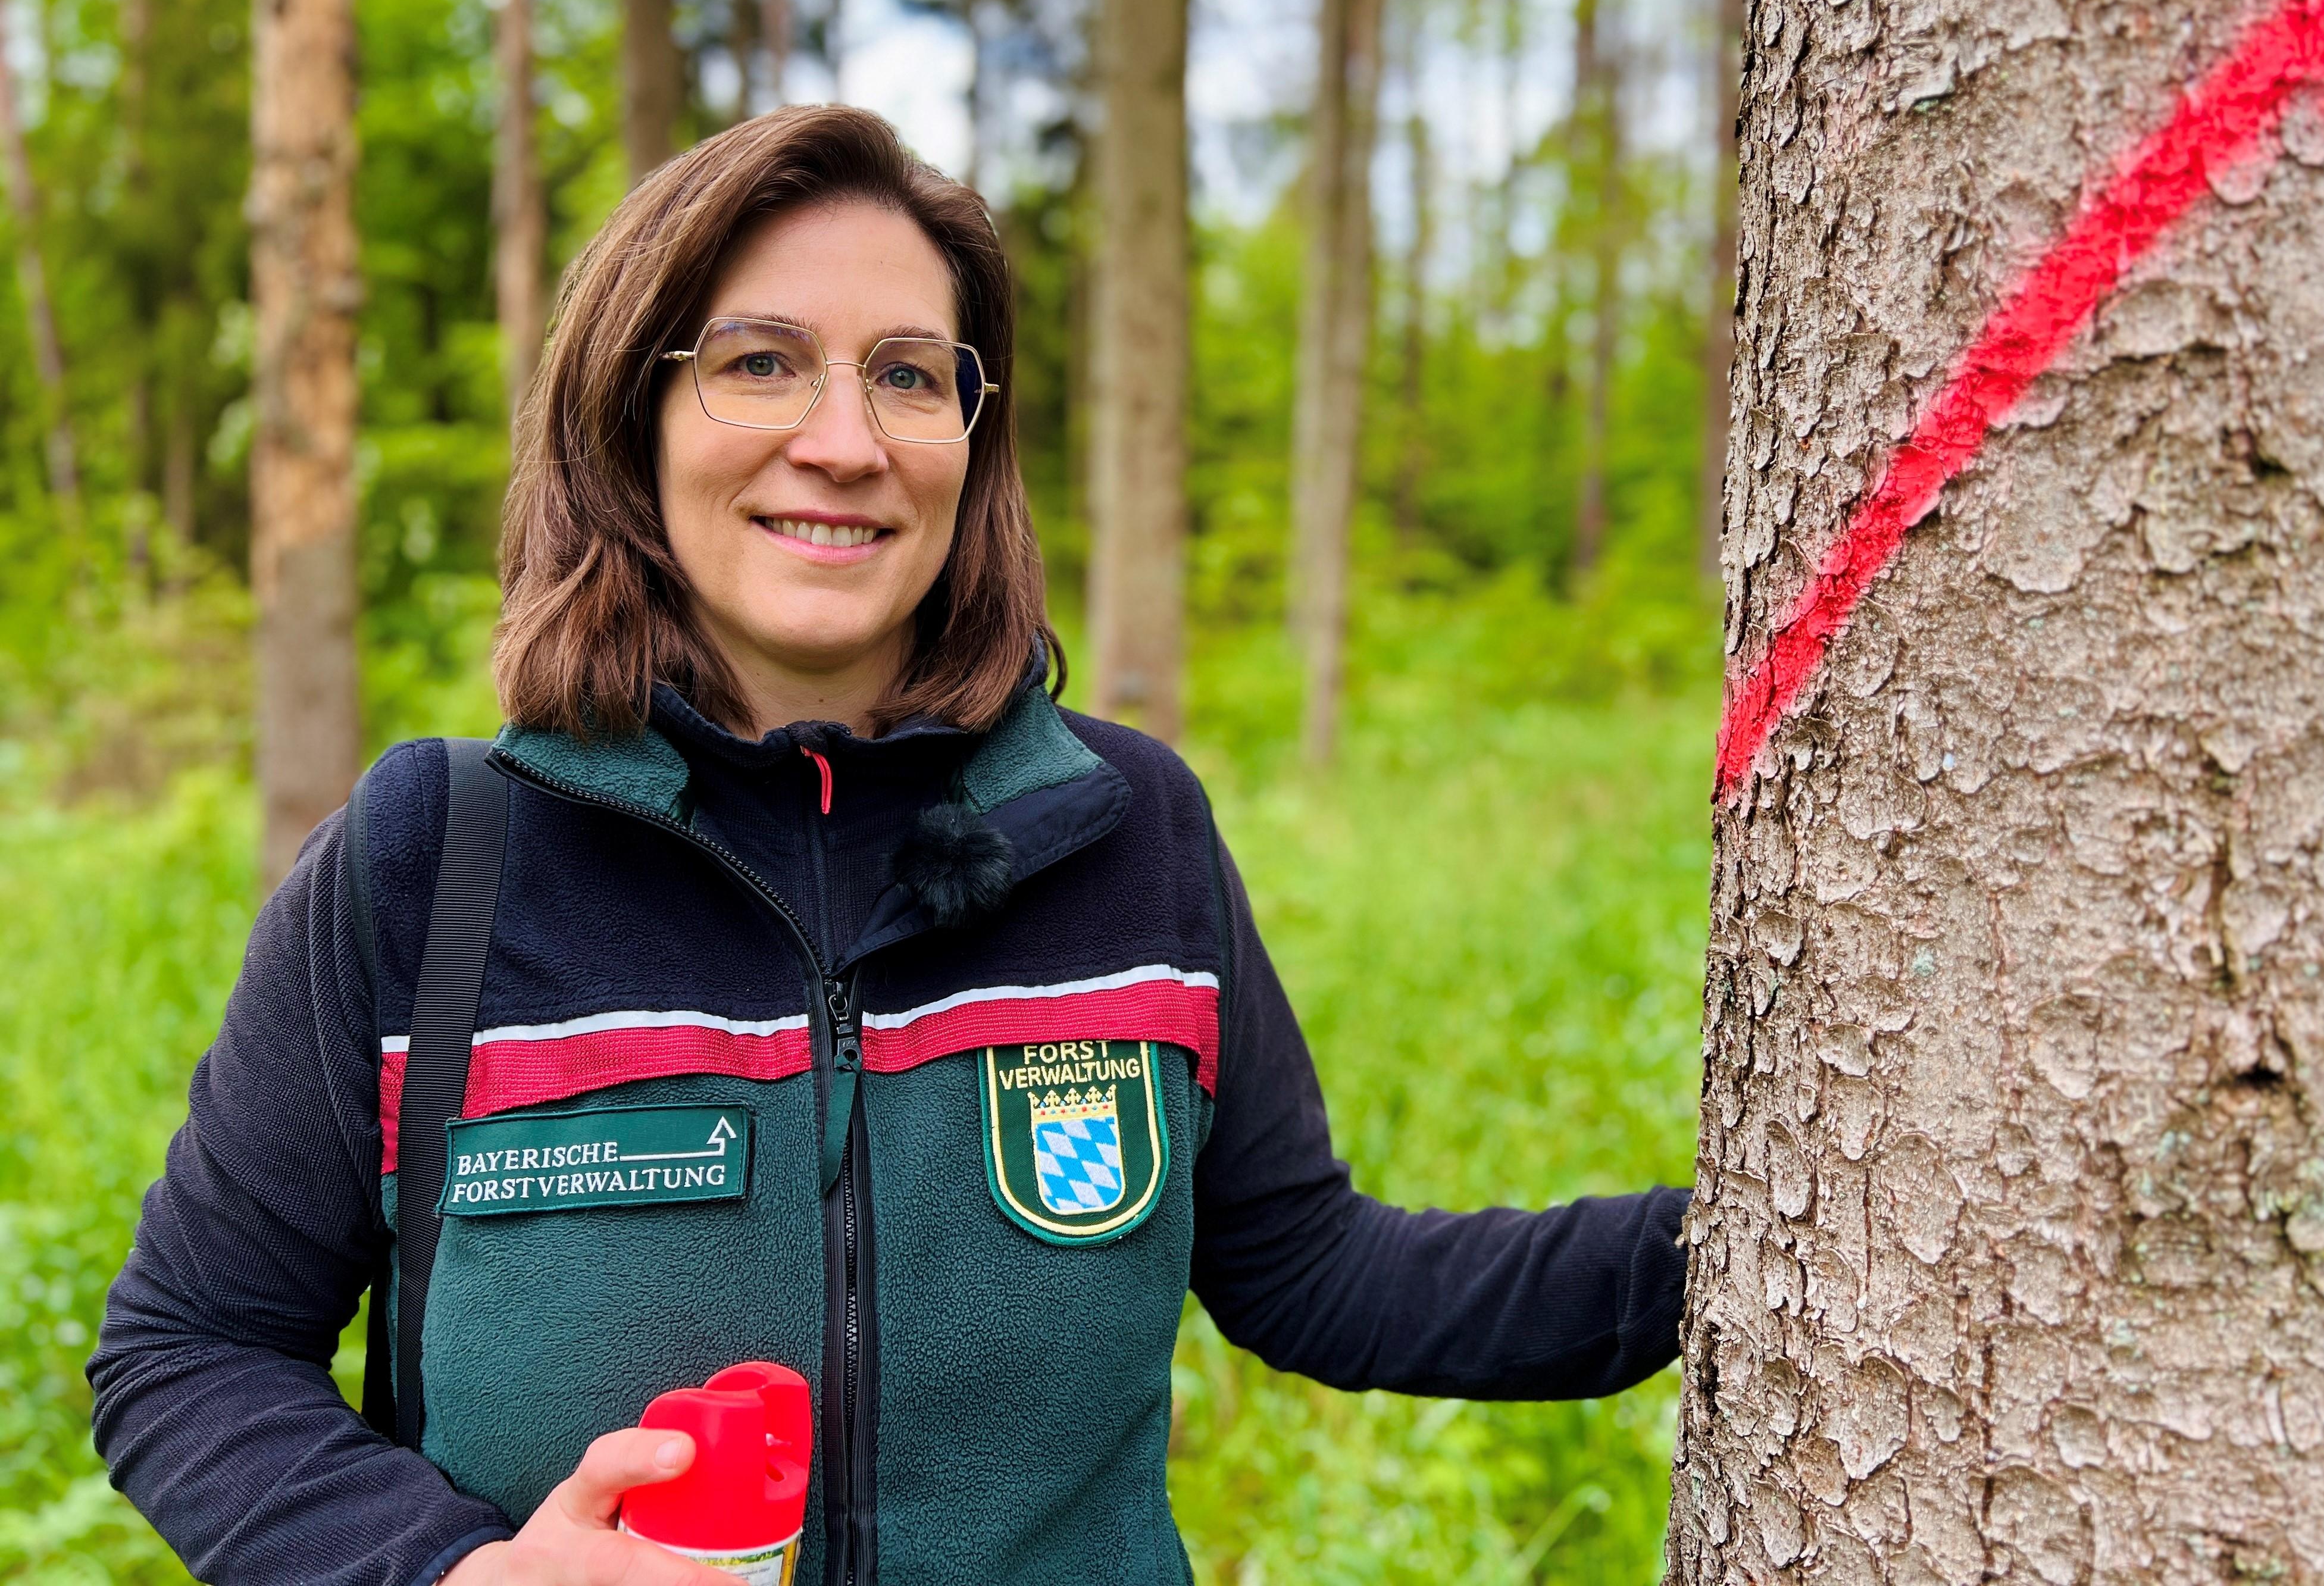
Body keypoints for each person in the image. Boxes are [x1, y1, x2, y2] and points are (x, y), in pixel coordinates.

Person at [89, 105, 1691, 1586]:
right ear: (631, 413)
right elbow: (188, 1354)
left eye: (912, 375)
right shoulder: (438, 860)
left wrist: (1747, 1243)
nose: (845, 441)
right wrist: (461, 1575)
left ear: (971, 445)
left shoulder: (1129, 836)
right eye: (763, 363)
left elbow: (1321, 1275)